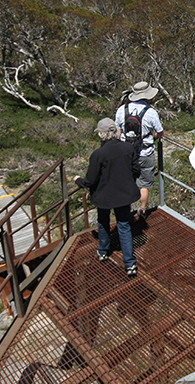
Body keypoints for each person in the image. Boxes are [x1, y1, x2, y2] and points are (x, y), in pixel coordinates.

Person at [75, 118, 141, 276]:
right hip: (124, 195)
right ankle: (130, 264)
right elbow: (136, 170)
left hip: (104, 196)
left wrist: (78, 181)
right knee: (124, 226)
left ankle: (103, 251)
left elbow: (90, 180)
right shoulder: (127, 148)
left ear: (102, 134)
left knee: (103, 222)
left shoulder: (98, 154)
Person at [115, 81, 164, 220]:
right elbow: (160, 132)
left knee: (127, 180)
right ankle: (142, 209)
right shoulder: (151, 113)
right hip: (145, 153)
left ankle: (125, 210)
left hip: (125, 152)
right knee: (144, 184)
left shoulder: (121, 110)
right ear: (147, 96)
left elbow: (118, 132)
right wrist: (154, 136)